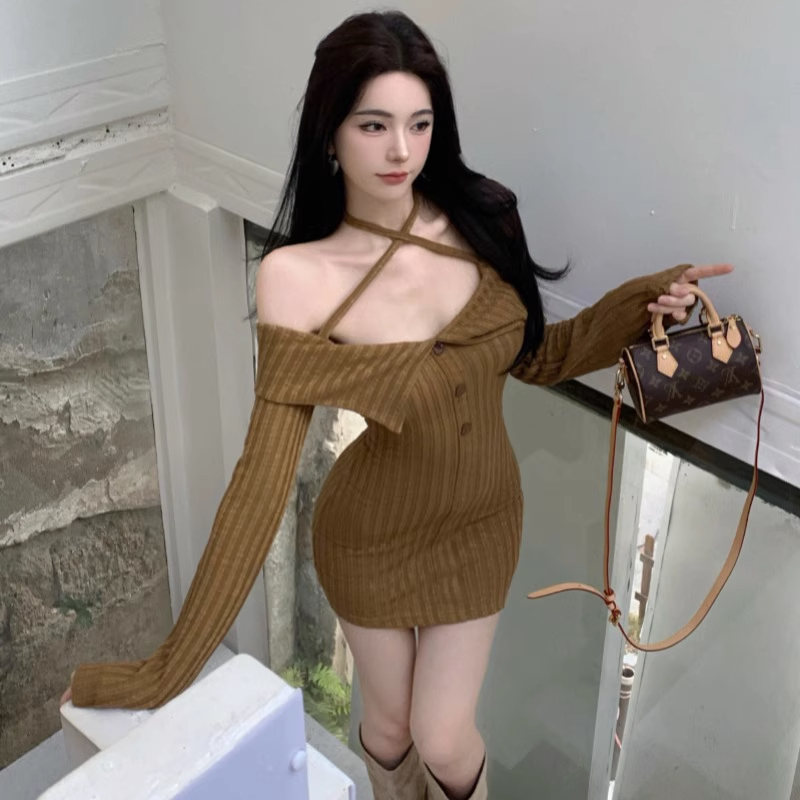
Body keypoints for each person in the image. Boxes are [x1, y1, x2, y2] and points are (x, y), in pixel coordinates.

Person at [61, 10, 732, 800]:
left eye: (419, 123)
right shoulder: (297, 278)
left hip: (481, 523)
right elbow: (260, 486)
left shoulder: (485, 216)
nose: (401, 151)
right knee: (386, 731)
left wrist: (645, 302)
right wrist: (168, 667)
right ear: (329, 133)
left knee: (443, 737)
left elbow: (539, 357)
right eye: (373, 124)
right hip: (368, 539)